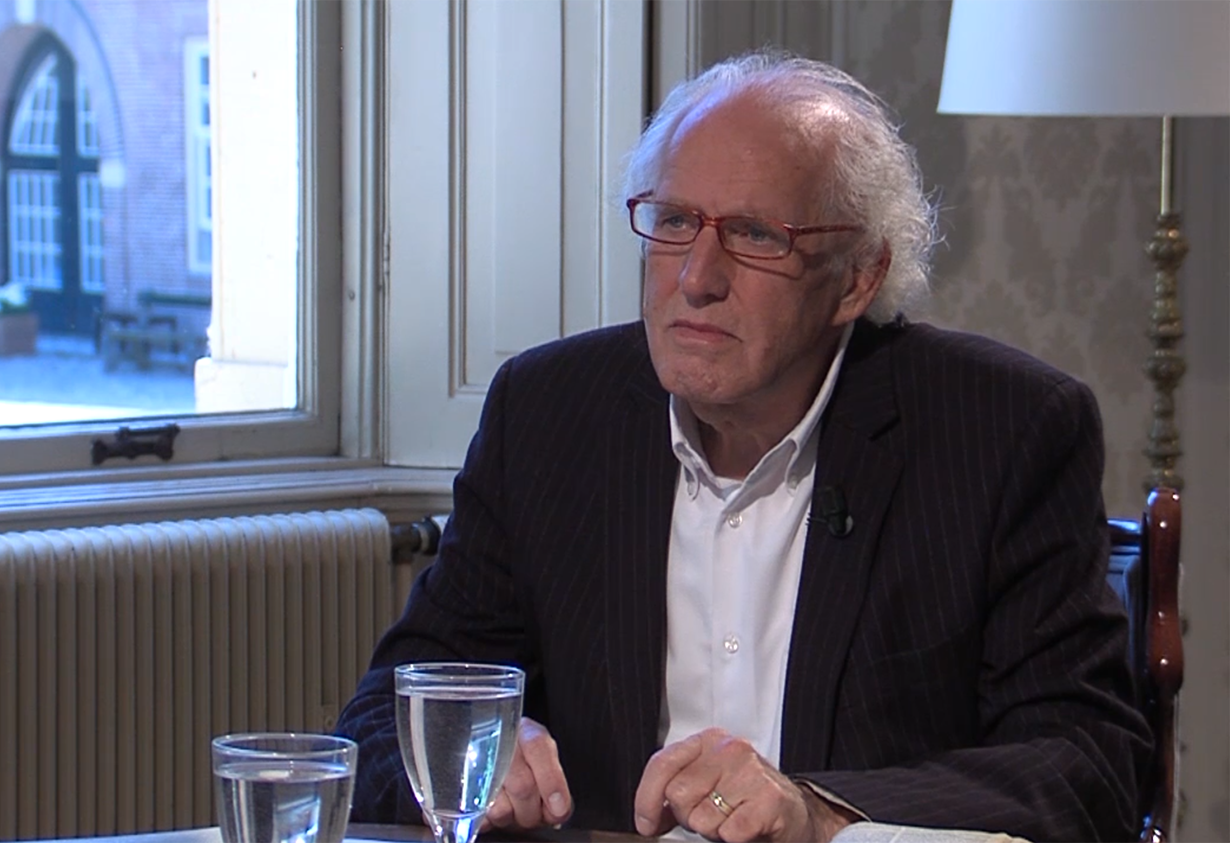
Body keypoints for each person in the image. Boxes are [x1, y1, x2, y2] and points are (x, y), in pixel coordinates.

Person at [335, 50, 1150, 843]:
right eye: (675, 221)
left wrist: (821, 810)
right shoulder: (548, 415)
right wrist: (465, 753)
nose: (696, 277)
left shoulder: (1001, 432)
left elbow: (1089, 765)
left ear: (858, 277)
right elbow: (379, 718)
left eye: (756, 234)